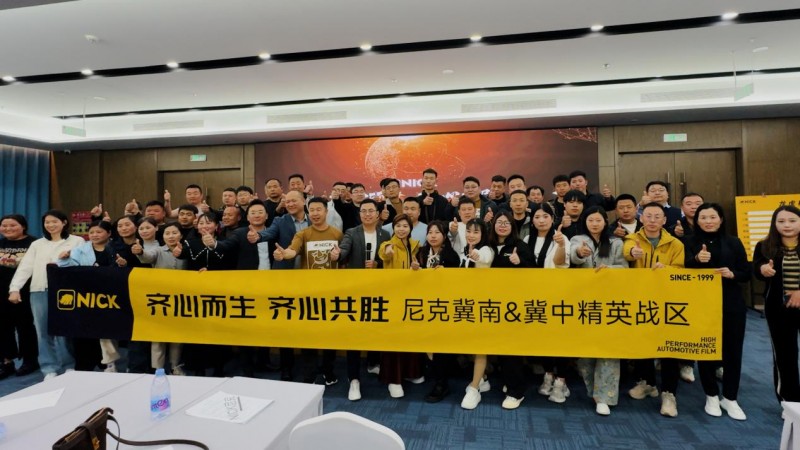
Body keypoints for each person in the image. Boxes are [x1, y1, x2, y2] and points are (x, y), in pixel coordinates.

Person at [685, 203, 750, 420]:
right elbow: (679, 269)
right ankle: (711, 394)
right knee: (706, 349)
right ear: (697, 220)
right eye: (703, 217)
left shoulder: (734, 242)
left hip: (731, 303)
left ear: (721, 219)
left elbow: (746, 272)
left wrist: (732, 274)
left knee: (733, 350)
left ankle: (730, 397)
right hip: (701, 304)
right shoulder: (688, 242)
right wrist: (696, 260)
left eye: (713, 217)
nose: (708, 221)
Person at [623, 202, 685, 417]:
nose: (652, 220)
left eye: (657, 216)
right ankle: (648, 383)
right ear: (641, 218)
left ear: (664, 220)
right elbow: (627, 252)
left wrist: (666, 269)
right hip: (639, 300)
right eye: (648, 216)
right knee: (642, 343)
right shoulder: (632, 239)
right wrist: (633, 252)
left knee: (667, 347)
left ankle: (669, 393)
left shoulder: (675, 244)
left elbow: (681, 270)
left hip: (666, 301)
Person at [7, 210, 83, 379]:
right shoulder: (37, 244)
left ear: (64, 222)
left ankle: (69, 365)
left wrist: (68, 258)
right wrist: (15, 288)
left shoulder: (77, 241)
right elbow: (25, 267)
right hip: (39, 290)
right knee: (42, 331)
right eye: (47, 222)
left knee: (65, 330)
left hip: (65, 292)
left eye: (54, 221)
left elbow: (82, 263)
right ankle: (49, 368)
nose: (50, 225)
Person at [274, 197, 342, 384]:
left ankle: (328, 371)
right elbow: (292, 251)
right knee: (309, 335)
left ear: (326, 212)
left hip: (331, 292)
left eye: (319, 209)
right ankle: (309, 374)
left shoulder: (337, 233)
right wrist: (283, 254)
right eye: (311, 210)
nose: (315, 213)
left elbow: (342, 257)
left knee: (329, 335)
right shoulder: (303, 234)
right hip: (309, 292)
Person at [331, 198, 391, 400]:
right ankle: (354, 379)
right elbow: (344, 250)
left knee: (375, 329)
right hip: (356, 291)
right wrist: (337, 254)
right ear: (359, 214)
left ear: (378, 214)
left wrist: (378, 265)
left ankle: (373, 363)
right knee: (354, 334)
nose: (367, 214)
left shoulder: (385, 234)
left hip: (378, 290)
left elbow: (387, 260)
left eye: (371, 211)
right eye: (363, 211)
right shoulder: (352, 232)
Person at [570, 206, 627, 415]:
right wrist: (579, 253)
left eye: (598, 220)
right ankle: (593, 391)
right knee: (586, 351)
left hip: (609, 302)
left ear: (605, 222)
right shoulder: (578, 240)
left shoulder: (616, 242)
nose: (594, 224)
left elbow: (625, 268)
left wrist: (610, 270)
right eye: (590, 220)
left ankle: (604, 396)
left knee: (608, 349)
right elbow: (572, 258)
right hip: (584, 302)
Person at [57, 221, 123, 372]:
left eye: (99, 232)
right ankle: (84, 364)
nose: (94, 235)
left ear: (109, 233)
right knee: (84, 330)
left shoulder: (116, 248)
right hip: (85, 295)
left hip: (110, 296)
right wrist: (64, 259)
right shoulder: (80, 249)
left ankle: (108, 363)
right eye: (92, 232)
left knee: (106, 331)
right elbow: (69, 268)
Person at [754, 205, 800, 408]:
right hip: (778, 308)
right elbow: (756, 269)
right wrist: (763, 269)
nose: (786, 225)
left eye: (792, 221)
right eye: (781, 221)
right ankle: (790, 402)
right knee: (785, 356)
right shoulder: (764, 246)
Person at [488, 211, 534, 410]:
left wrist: (520, 262)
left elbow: (534, 271)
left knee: (510, 348)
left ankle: (516, 392)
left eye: (507, 223)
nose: (503, 225)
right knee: (498, 347)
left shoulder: (520, 246)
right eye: (499, 222)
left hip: (513, 306)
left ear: (512, 226)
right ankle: (507, 381)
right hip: (490, 304)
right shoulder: (488, 245)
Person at [415, 221, 461, 404]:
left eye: (437, 232)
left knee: (440, 344)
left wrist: (446, 272)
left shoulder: (451, 255)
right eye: (430, 232)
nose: (433, 236)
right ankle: (436, 374)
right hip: (423, 305)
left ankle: (442, 384)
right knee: (427, 344)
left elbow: (458, 281)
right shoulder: (421, 253)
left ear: (444, 236)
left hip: (443, 306)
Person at [134, 223, 188, 375]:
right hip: (160, 299)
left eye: (174, 233)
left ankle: (175, 366)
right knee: (158, 335)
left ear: (181, 235)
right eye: (167, 233)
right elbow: (147, 257)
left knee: (177, 335)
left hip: (181, 299)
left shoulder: (187, 250)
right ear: (163, 236)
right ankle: (157, 368)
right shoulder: (157, 250)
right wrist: (140, 252)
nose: (171, 236)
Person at [378, 214, 422, 397]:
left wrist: (417, 268)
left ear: (410, 228)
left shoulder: (416, 245)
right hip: (392, 297)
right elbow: (384, 254)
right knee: (393, 338)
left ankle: (410, 372)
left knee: (410, 336)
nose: (401, 229)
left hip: (411, 298)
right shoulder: (387, 244)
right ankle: (393, 380)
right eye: (398, 226)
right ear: (393, 228)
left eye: (405, 226)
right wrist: (388, 252)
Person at [456, 218, 494, 409]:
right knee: (471, 345)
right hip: (467, 304)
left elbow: (483, 257)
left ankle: (473, 388)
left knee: (480, 346)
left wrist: (476, 255)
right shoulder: (464, 250)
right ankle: (483, 379)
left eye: (476, 232)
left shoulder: (486, 249)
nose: (471, 235)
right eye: (469, 231)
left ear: (483, 234)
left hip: (482, 304)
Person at [0, 214, 39, 378]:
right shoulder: (1, 243)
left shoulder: (34, 243)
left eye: (12, 225)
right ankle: (6, 361)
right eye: (4, 226)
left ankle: (30, 360)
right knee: (3, 327)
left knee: (25, 327)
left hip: (25, 292)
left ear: (23, 226)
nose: (8, 228)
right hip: (2, 292)